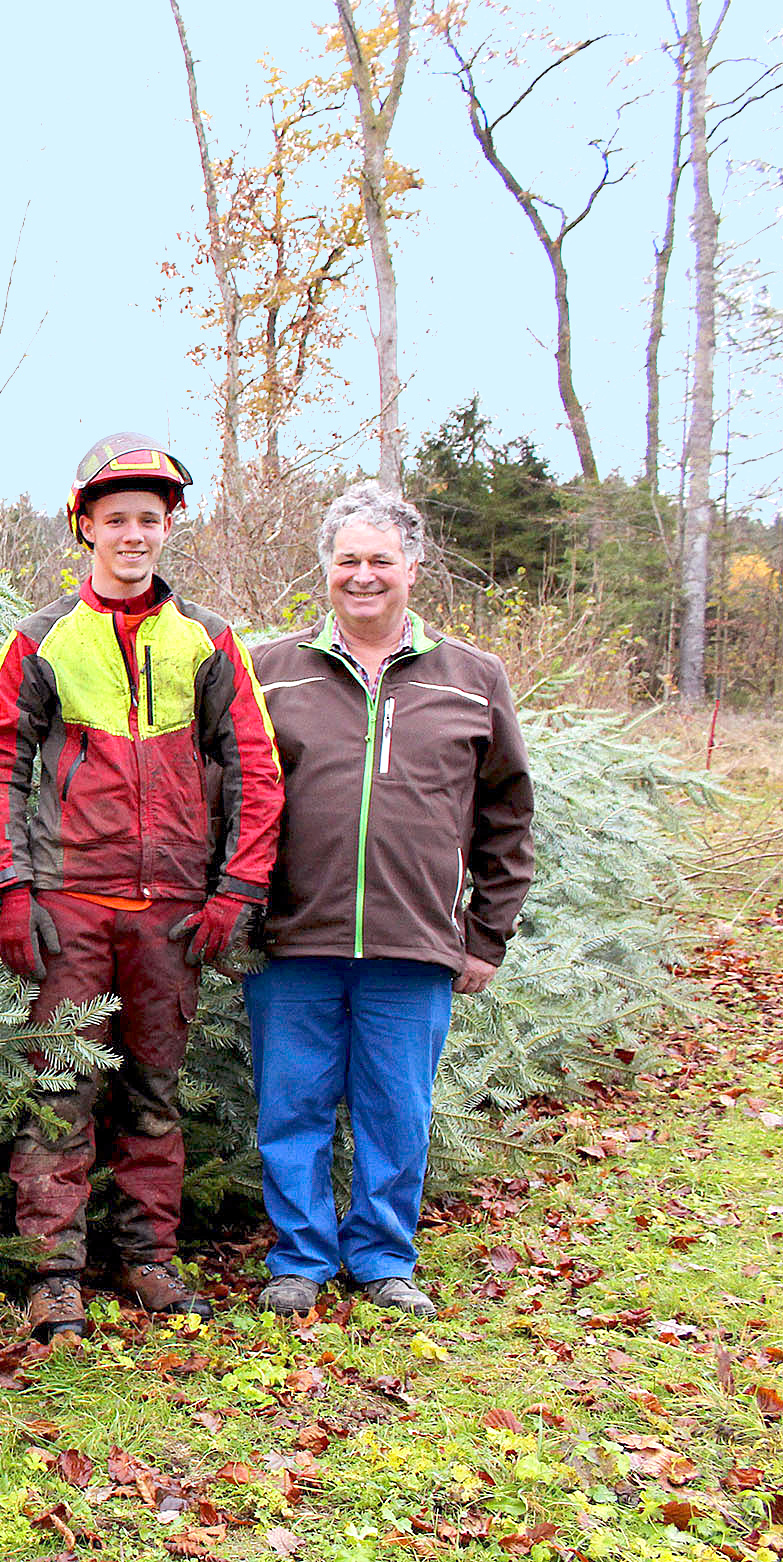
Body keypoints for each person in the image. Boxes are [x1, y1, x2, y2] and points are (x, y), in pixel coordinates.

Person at [0, 433, 283, 1341]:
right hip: (71, 905)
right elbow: (1, 765)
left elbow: (255, 770)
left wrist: (237, 890)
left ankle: (148, 1258)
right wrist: (11, 888)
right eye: (115, 520)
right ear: (85, 526)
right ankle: (51, 1273)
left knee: (154, 1089)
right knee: (60, 1088)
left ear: (168, 527)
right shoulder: (40, 639)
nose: (133, 535)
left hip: (174, 911)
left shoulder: (209, 641)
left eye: (149, 519)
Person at [244, 481, 534, 1320]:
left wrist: (485, 935)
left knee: (394, 1111)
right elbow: (230, 798)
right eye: (347, 561)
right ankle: (298, 1258)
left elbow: (507, 813)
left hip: (415, 942)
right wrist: (234, 916)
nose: (362, 575)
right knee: (289, 1107)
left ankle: (381, 1258)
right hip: (291, 940)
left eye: (380, 560)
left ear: (413, 567)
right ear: (323, 570)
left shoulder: (473, 679)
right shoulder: (270, 673)